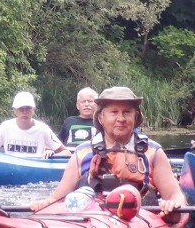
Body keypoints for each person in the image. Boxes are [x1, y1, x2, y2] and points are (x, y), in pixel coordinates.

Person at [30, 86, 186, 214]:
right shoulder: (82, 153)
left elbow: (175, 195)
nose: (121, 119)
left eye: (127, 112)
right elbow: (56, 198)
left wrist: (173, 206)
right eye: (114, 112)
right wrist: (44, 204)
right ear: (100, 118)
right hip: (93, 220)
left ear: (135, 116)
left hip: (142, 218)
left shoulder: (153, 152)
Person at [0, 91, 71, 159]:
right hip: (10, 166)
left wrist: (52, 155)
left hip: (35, 168)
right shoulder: (5, 127)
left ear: (33, 110)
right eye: (21, 108)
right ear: (14, 110)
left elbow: (66, 153)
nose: (24, 112)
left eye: (28, 108)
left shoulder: (43, 129)